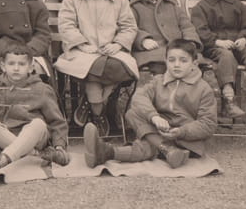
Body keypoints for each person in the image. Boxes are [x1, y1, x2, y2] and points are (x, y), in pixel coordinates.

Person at [84, 39, 217, 169]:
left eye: (183, 61)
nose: (176, 65)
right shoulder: (159, 81)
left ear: (194, 63)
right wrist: (154, 117)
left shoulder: (203, 89)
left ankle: (106, 152)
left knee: (146, 147)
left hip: (185, 140)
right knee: (133, 113)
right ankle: (167, 149)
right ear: (165, 61)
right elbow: (139, 97)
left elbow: (208, 124)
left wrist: (181, 132)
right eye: (171, 60)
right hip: (159, 131)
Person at [55, 0, 139, 135]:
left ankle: (89, 101)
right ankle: (98, 113)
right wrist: (82, 44)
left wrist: (118, 44)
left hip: (112, 52)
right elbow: (66, 25)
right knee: (95, 67)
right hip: (82, 52)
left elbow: (129, 27)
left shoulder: (120, 0)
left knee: (121, 68)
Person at [0, 47, 70, 175]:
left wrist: (59, 146)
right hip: (3, 140)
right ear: (3, 66)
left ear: (31, 67)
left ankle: (2, 160)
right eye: (11, 63)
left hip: (34, 139)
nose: (16, 68)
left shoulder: (42, 89)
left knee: (38, 124)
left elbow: (56, 122)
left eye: (21, 64)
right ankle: (36, 155)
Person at [130, 0, 201, 77]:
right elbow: (130, 28)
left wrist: (190, 41)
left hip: (177, 47)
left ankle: (187, 86)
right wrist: (143, 40)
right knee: (162, 64)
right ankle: (163, 86)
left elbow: (186, 26)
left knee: (189, 63)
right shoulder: (133, 7)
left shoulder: (171, 6)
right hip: (151, 51)